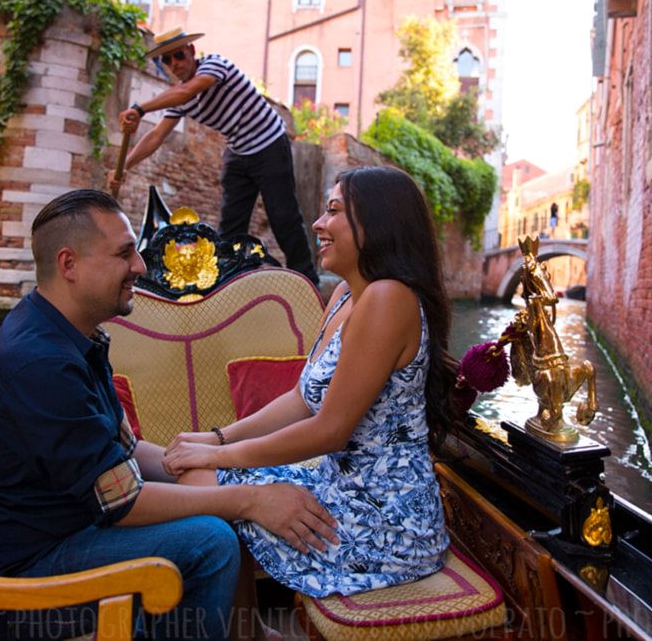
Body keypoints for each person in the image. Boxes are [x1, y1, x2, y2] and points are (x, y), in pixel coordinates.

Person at [0, 189, 337, 640]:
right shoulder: (40, 363)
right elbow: (124, 503)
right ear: (69, 265)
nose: (140, 266)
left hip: (61, 532)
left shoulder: (70, 336)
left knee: (226, 497)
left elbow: (126, 452)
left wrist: (211, 462)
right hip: (14, 581)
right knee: (209, 542)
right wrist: (250, 499)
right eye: (123, 253)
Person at [162, 167, 457, 597]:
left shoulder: (388, 298)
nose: (318, 224)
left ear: (376, 223)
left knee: (200, 484)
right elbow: (302, 399)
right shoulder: (343, 296)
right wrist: (216, 439)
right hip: (340, 486)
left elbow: (330, 431)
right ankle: (252, 634)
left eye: (334, 211)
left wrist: (222, 458)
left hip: (384, 515)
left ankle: (246, 632)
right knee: (204, 480)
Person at [107, 27, 320, 286]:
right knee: (230, 228)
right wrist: (124, 167)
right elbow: (156, 136)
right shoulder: (177, 98)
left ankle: (309, 283)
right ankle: (227, 286)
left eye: (179, 56)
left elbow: (189, 91)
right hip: (238, 151)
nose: (175, 64)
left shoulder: (214, 65)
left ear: (192, 52)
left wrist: (139, 108)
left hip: (269, 144)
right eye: (167, 60)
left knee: (284, 218)